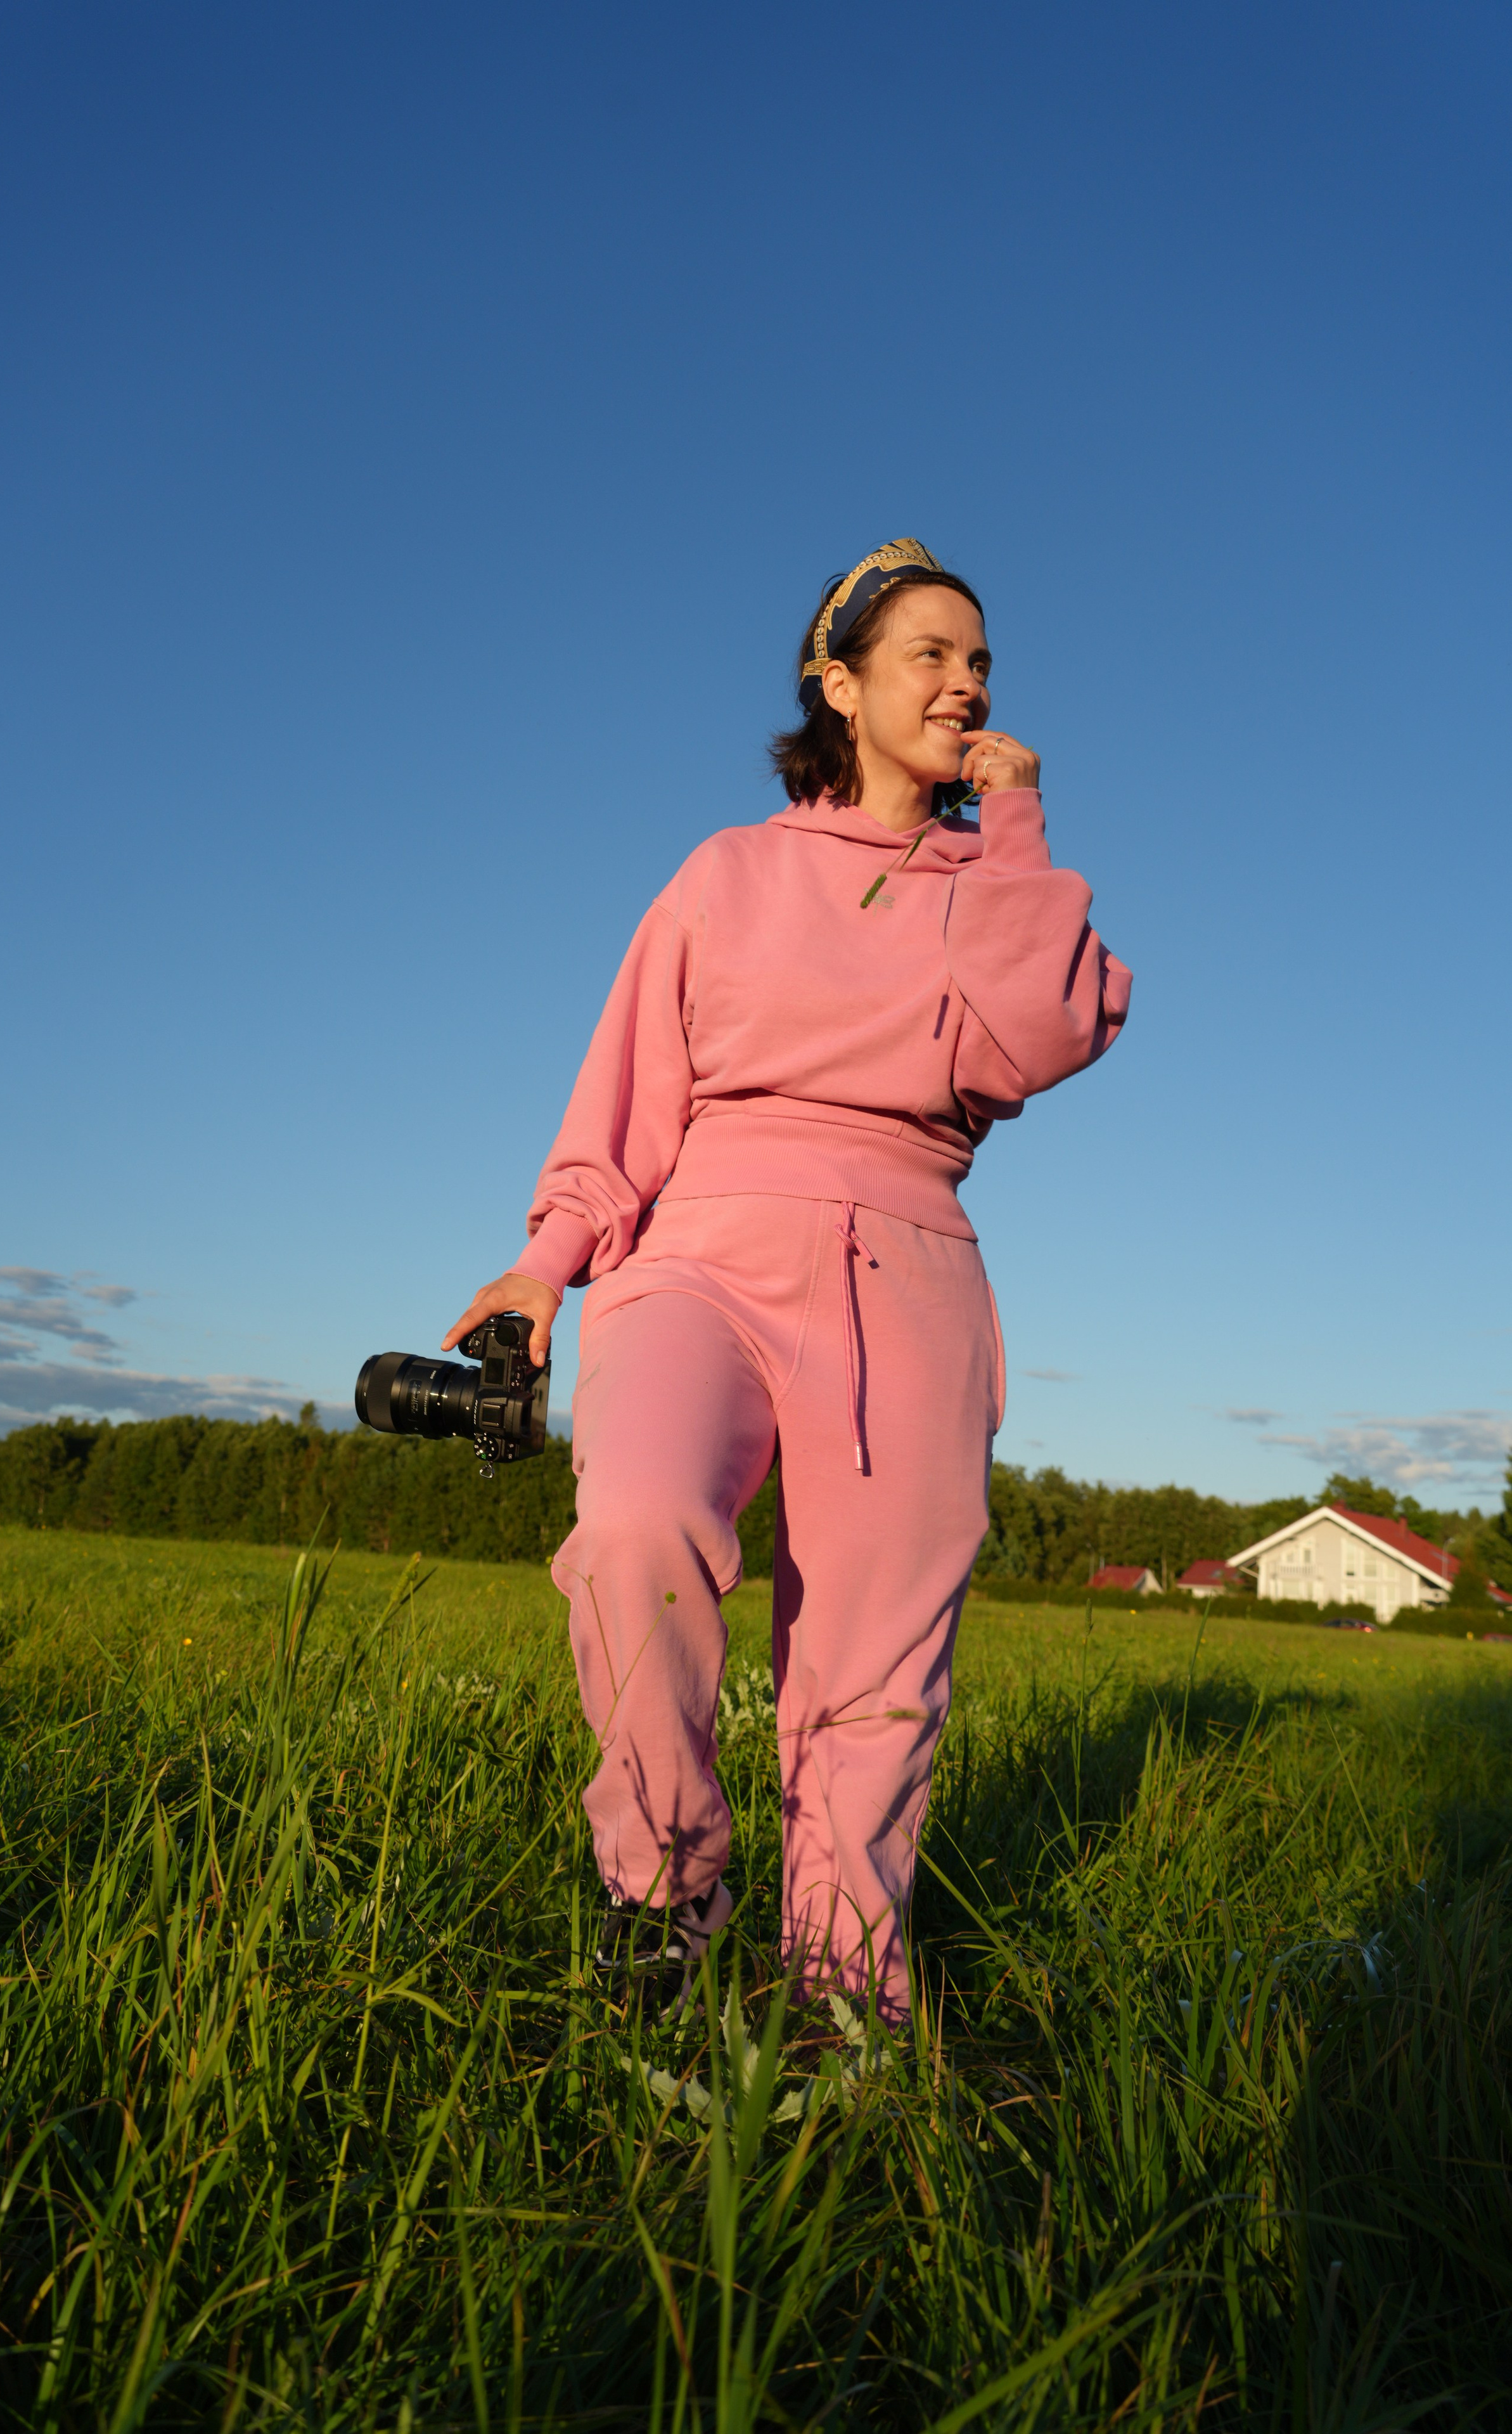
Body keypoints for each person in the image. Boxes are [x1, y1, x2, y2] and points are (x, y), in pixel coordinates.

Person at [443, 539, 1131, 2024]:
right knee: (632, 1530)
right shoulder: (729, 872)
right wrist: (540, 1266)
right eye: (929, 655)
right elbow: (627, 1095)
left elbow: (1038, 1037)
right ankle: (667, 1901)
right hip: (699, 1245)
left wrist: (1010, 823)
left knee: (872, 1666)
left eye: (981, 661)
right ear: (839, 682)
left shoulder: (995, 878)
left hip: (909, 1272)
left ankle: (841, 1999)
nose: (964, 683)